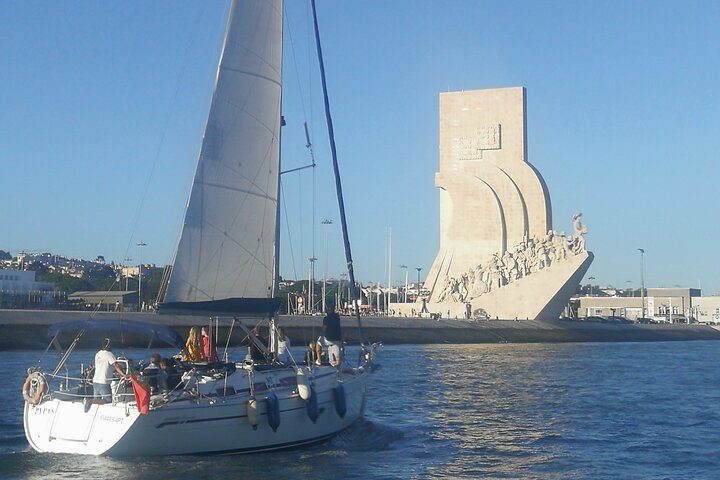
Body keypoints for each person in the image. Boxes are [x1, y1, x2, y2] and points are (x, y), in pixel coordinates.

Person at [322, 301, 342, 366]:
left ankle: (320, 359)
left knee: (320, 344)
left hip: (329, 339)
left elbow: (324, 329)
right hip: (336, 339)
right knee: (337, 356)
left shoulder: (326, 319)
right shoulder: (337, 317)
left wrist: (322, 335)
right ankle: (337, 365)